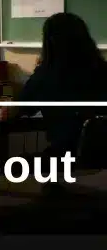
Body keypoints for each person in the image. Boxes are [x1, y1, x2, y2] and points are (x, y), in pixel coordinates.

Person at [9, 12, 107, 157]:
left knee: (13, 164)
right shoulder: (102, 70)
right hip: (101, 164)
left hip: (63, 158)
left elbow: (20, 109)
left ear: (49, 42)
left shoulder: (45, 77)